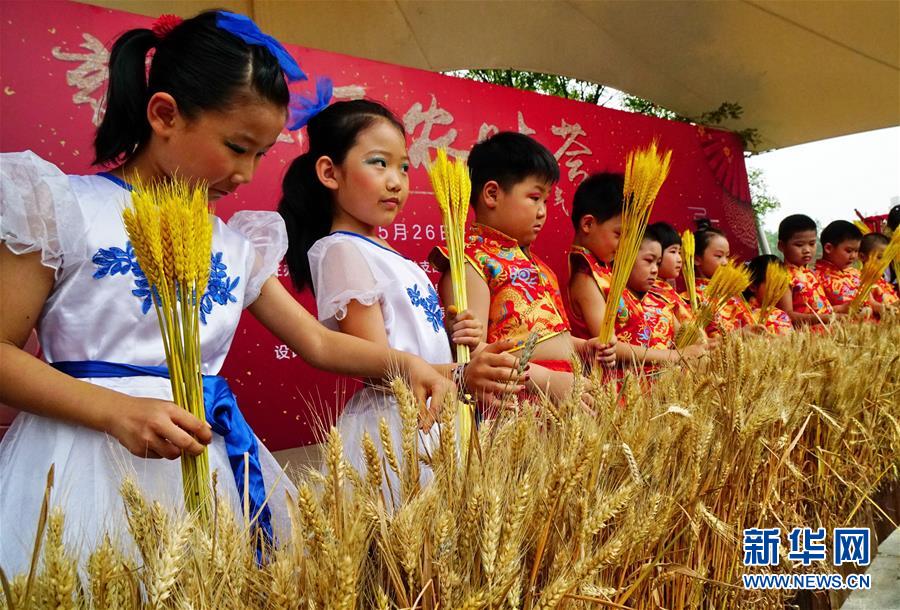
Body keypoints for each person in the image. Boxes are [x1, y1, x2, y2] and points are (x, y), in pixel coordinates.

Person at [0, 11, 450, 571]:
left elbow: (317, 340)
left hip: (202, 462)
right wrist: (116, 411)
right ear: (165, 114)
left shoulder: (235, 246)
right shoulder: (61, 207)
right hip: (79, 464)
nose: (247, 173)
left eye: (261, 154)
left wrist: (409, 365)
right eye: (237, 147)